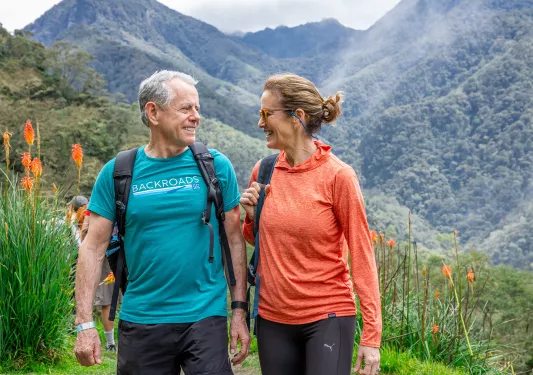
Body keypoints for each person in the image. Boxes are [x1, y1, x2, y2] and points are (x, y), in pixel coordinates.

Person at [74, 70, 250, 374]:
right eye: (185, 108)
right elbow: (92, 248)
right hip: (141, 317)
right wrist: (84, 324)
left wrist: (238, 312)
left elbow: (234, 240)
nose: (196, 117)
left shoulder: (215, 167)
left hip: (204, 317)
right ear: (153, 112)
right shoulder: (118, 173)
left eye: (197, 108)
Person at [240, 73, 382, 375]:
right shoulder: (263, 171)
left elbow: (362, 254)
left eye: (266, 114)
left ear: (297, 117)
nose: (260, 123)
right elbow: (261, 242)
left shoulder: (338, 177)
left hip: (327, 317)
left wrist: (372, 335)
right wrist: (253, 217)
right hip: (272, 319)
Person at [80, 210, 121, 352]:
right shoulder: (93, 209)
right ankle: (110, 343)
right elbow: (85, 233)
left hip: (123, 254)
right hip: (105, 256)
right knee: (107, 300)